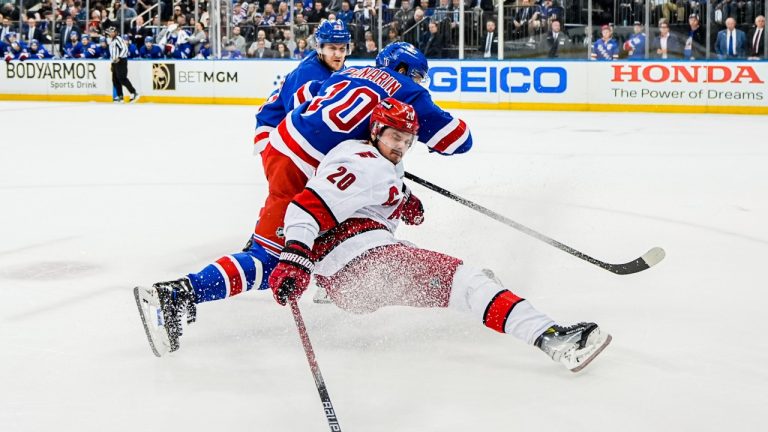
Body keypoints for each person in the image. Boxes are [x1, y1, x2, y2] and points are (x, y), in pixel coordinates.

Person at [133, 43, 473, 357]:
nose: (418, 83)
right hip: (304, 166)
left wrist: (397, 188)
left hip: (289, 146)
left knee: (346, 215)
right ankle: (176, 294)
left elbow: (350, 136)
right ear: (404, 69)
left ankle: (310, 265)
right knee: (273, 260)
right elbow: (459, 141)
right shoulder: (408, 91)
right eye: (416, 76)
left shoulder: (348, 73)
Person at [266, 98, 612, 373]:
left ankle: (481, 299)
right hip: (366, 266)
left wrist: (400, 197)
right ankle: (552, 339)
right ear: (375, 131)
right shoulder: (361, 162)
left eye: (406, 140)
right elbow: (305, 208)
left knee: (444, 275)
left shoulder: (379, 161)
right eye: (393, 137)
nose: (400, 146)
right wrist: (295, 256)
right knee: (469, 282)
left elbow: (364, 198)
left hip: (353, 286)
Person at [254, 20, 351, 154]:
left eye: (342, 48)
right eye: (332, 48)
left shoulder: (332, 65)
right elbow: (296, 119)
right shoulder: (307, 73)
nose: (338, 54)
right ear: (319, 48)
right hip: (271, 129)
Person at [106, 26, 138, 103]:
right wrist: (112, 63)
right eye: (110, 32)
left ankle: (134, 93)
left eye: (112, 32)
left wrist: (119, 58)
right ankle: (120, 96)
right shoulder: (112, 41)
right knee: (115, 80)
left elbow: (125, 48)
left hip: (121, 61)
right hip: (115, 62)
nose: (111, 33)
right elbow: (112, 53)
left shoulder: (118, 39)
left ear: (116, 32)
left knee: (122, 78)